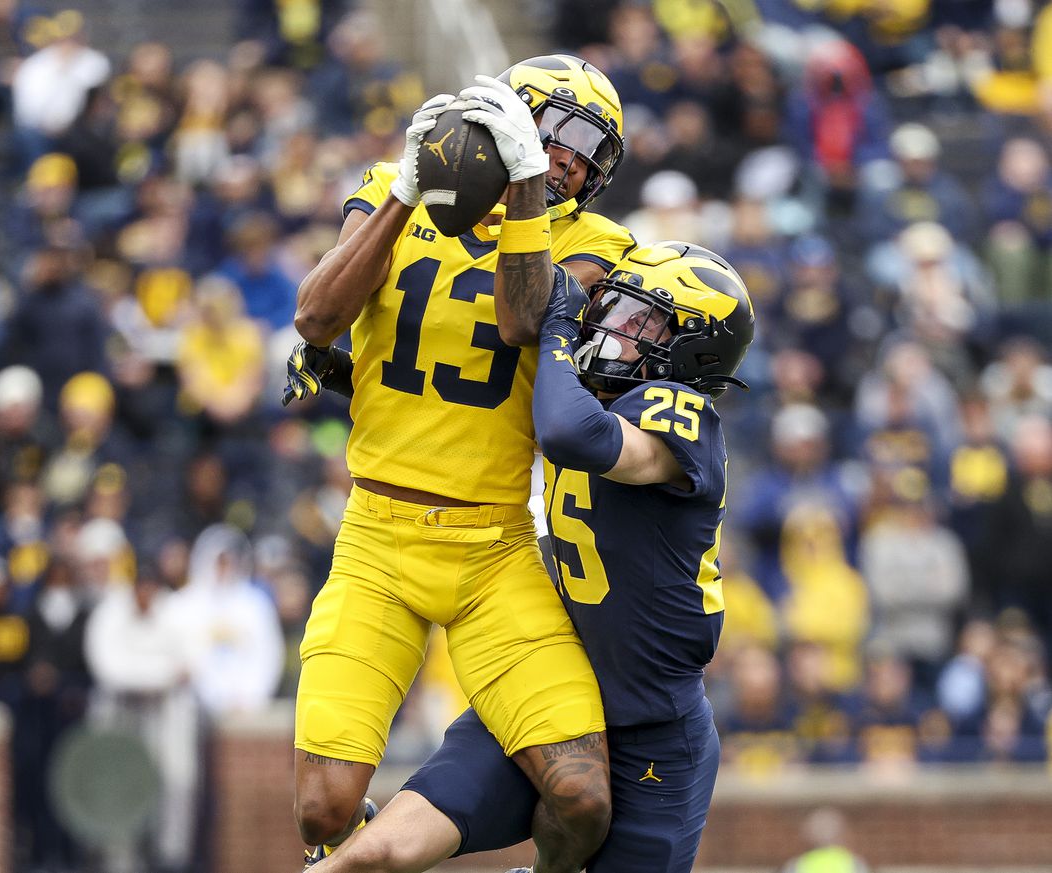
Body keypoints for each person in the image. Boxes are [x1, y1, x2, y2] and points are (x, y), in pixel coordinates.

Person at [284, 55, 634, 872]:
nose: (576, 164)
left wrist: (524, 189)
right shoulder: (392, 187)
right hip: (377, 536)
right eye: (569, 138)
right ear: (517, 115)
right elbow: (315, 316)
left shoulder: (595, 243)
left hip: (494, 548)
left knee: (582, 795)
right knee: (320, 810)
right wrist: (408, 188)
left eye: (594, 153)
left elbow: (522, 319)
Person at [302, 241, 755, 873]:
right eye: (614, 306)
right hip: (544, 685)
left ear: (692, 350)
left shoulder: (682, 415)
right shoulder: (581, 394)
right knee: (372, 856)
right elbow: (468, 407)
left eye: (638, 320)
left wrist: (561, 333)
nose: (612, 324)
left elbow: (573, 433)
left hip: (648, 728)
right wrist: (348, 370)